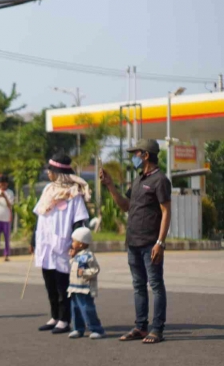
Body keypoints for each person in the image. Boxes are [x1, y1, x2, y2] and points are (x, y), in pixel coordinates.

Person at [101, 139, 170, 344]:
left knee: (156, 285)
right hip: (133, 242)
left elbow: (166, 212)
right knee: (139, 286)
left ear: (146, 155)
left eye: (136, 153)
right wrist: (110, 185)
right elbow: (125, 206)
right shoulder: (138, 180)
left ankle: (157, 329)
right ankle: (141, 327)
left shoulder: (160, 180)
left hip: (150, 243)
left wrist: (160, 242)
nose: (134, 157)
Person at [30, 153, 91, 335]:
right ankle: (54, 316)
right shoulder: (48, 189)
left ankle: (65, 319)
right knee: (49, 282)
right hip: (45, 243)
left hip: (63, 244)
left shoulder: (74, 193)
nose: (48, 173)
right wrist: (33, 239)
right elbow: (39, 214)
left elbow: (79, 222)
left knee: (62, 285)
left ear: (59, 172)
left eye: (51, 170)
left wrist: (75, 244)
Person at [67, 227, 105, 340]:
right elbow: (74, 267)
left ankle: (96, 329)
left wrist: (85, 272)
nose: (72, 243)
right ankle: (78, 329)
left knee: (87, 309)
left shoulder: (88, 255)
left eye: (74, 241)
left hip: (84, 288)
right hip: (74, 287)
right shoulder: (78, 255)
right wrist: (72, 257)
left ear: (81, 244)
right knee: (75, 309)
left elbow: (96, 269)